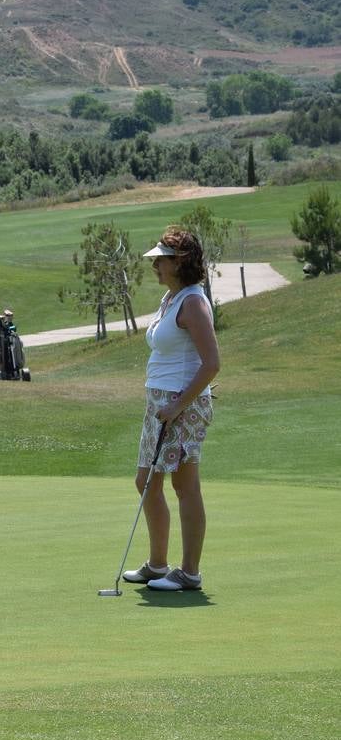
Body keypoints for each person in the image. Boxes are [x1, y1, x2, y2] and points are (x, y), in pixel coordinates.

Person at [122, 228, 220, 592]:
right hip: (160, 402)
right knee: (145, 480)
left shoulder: (193, 302)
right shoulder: (172, 298)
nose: (155, 265)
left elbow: (211, 362)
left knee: (184, 484)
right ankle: (158, 565)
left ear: (180, 262)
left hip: (183, 404)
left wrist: (180, 404)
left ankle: (189, 572)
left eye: (161, 259)